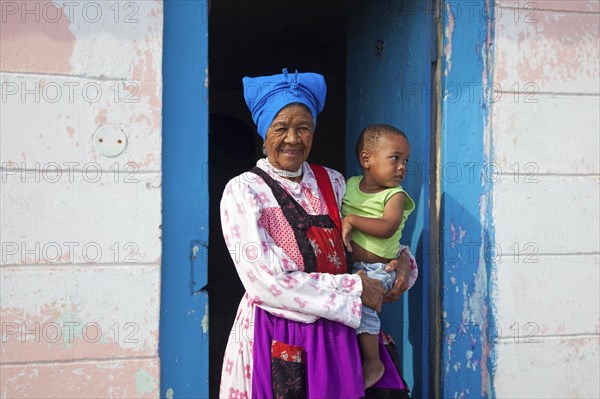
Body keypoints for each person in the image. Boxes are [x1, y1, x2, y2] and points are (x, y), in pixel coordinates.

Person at [219, 68, 418, 398]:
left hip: (342, 334)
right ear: (263, 130)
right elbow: (264, 280)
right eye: (281, 127)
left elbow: (370, 239)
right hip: (279, 335)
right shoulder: (244, 191)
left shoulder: (335, 182)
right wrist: (356, 286)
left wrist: (399, 264)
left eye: (304, 128)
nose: (293, 139)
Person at [341, 124, 417, 389]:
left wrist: (351, 219)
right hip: (355, 267)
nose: (402, 167)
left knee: (365, 306)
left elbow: (387, 228)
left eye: (406, 160)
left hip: (381, 269)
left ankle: (373, 363)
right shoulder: (349, 185)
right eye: (395, 158)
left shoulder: (395, 195)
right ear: (366, 159)